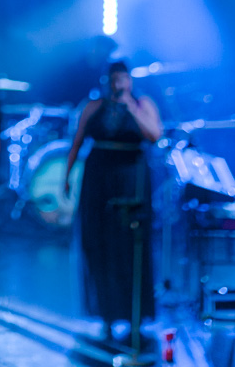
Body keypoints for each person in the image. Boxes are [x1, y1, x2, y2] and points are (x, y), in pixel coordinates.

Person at [63, 60, 162, 332]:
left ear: (129, 81)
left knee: (131, 244)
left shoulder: (143, 104)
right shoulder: (93, 106)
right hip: (99, 178)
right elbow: (78, 140)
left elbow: (154, 134)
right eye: (113, 79)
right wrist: (67, 175)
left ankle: (135, 315)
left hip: (131, 178)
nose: (118, 84)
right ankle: (105, 312)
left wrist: (130, 107)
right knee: (99, 243)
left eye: (122, 79)